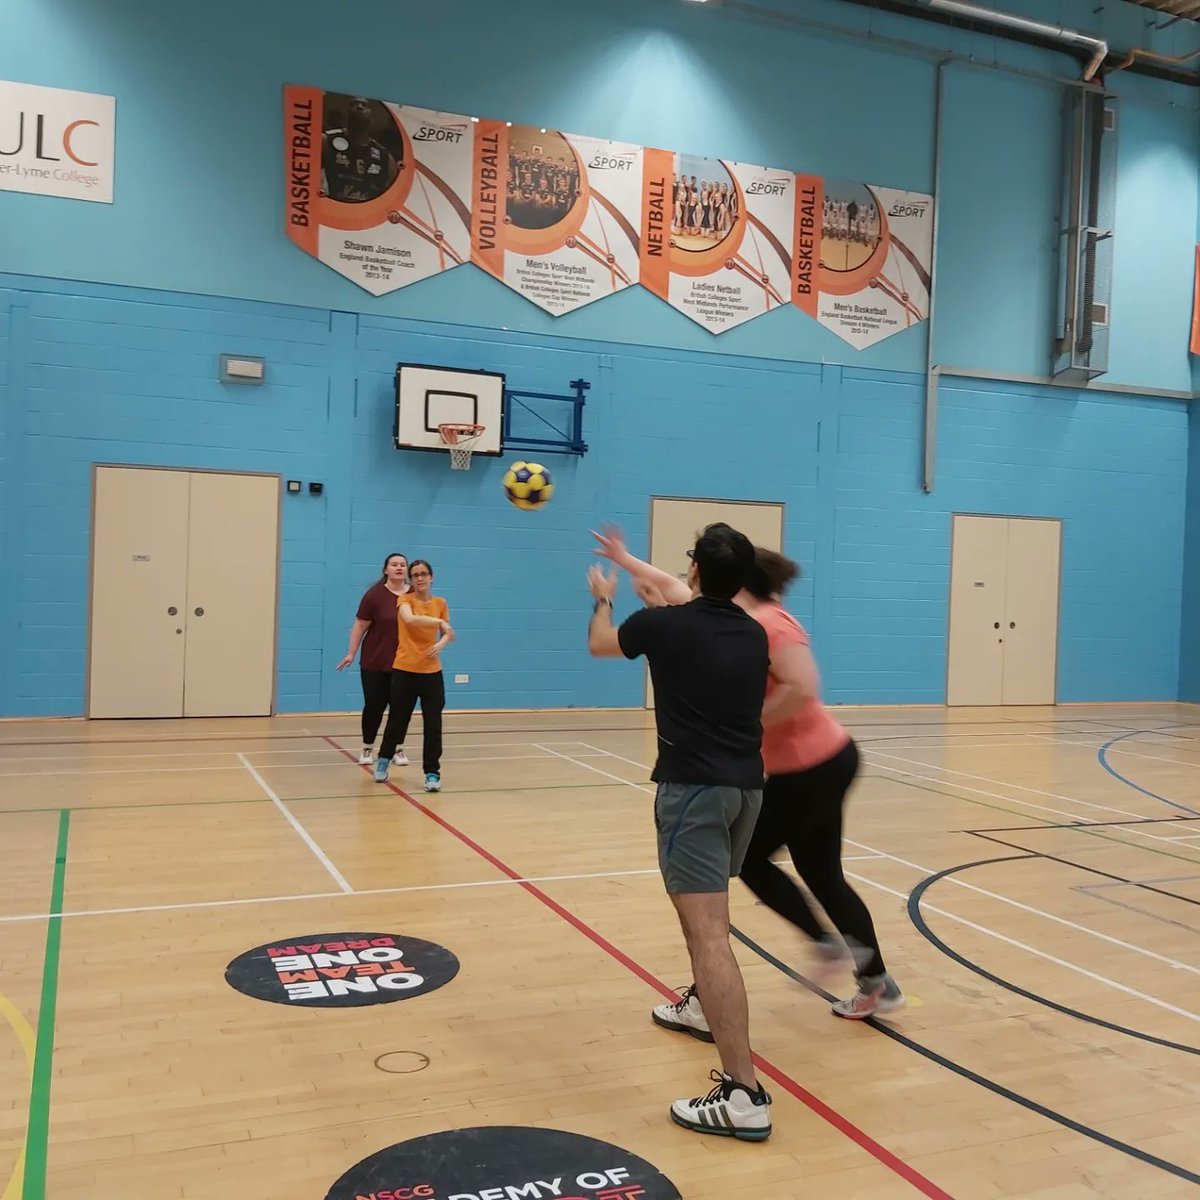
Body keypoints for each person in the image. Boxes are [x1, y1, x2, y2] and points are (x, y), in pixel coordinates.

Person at [592, 529, 904, 1019]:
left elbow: (803, 687)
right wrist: (625, 559)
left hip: (813, 765)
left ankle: (824, 945)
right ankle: (876, 983)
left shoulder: (769, 624)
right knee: (822, 874)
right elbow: (674, 591)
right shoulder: (732, 614)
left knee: (751, 860)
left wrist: (745, 723)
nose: (686, 575)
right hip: (805, 765)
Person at [587, 523, 772, 1142]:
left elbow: (600, 646)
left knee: (709, 932)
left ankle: (745, 1094)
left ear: (694, 570)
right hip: (746, 790)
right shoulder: (752, 633)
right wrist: (635, 569)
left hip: (693, 792)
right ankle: (699, 1008)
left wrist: (604, 595)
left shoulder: (664, 626)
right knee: (707, 921)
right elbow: (680, 599)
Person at [375, 560, 452, 792]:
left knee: (433, 724)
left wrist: (441, 644)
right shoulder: (405, 600)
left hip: (432, 674)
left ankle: (432, 773)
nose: (420, 578)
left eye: (424, 574)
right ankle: (383, 759)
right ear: (411, 579)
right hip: (405, 670)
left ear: (431, 577)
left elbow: (448, 632)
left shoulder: (441, 603)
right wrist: (438, 622)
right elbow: (409, 619)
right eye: (415, 575)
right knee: (398, 720)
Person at [337, 553, 410, 766]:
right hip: (375, 662)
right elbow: (360, 625)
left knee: (401, 708)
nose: (399, 568)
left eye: (402, 565)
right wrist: (351, 653)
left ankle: (396, 749)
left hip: (405, 663)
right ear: (385, 569)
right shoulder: (374, 595)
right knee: (374, 707)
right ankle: (367, 748)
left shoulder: (414, 595)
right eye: (394, 564)